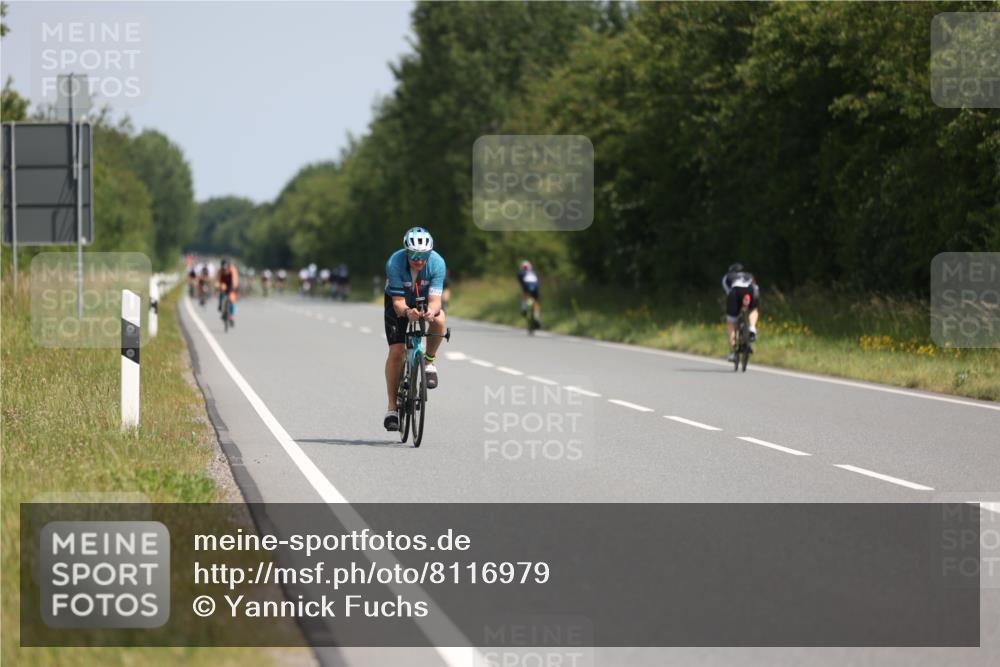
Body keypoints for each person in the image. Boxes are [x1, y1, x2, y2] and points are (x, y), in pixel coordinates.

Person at [382, 227, 447, 431]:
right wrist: (407, 312)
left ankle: (428, 362)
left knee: (439, 319)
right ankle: (392, 408)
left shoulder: (437, 263)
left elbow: (436, 300)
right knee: (397, 351)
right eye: (414, 255)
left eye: (423, 255)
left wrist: (431, 311)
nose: (419, 260)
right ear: (407, 252)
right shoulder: (394, 262)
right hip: (399, 302)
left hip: (424, 300)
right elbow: (398, 302)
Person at [722, 262, 760, 362]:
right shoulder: (749, 275)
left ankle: (733, 352)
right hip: (751, 290)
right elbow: (756, 287)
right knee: (753, 309)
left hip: (736, 291)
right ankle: (752, 327)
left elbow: (728, 292)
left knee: (731, 322)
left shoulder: (727, 276)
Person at [517, 260, 541, 329]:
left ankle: (524, 308)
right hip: (535, 287)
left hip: (527, 286)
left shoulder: (520, 273)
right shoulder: (534, 272)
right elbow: (537, 281)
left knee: (525, 295)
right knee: (536, 302)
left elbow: (521, 283)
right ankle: (536, 318)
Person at [217, 258, 240, 326]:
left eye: (226, 268)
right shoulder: (220, 271)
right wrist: (218, 286)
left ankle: (231, 316)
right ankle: (221, 305)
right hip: (223, 283)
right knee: (221, 292)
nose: (225, 270)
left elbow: (235, 280)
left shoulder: (233, 270)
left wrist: (233, 287)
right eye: (223, 268)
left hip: (231, 284)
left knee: (232, 299)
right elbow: (217, 280)